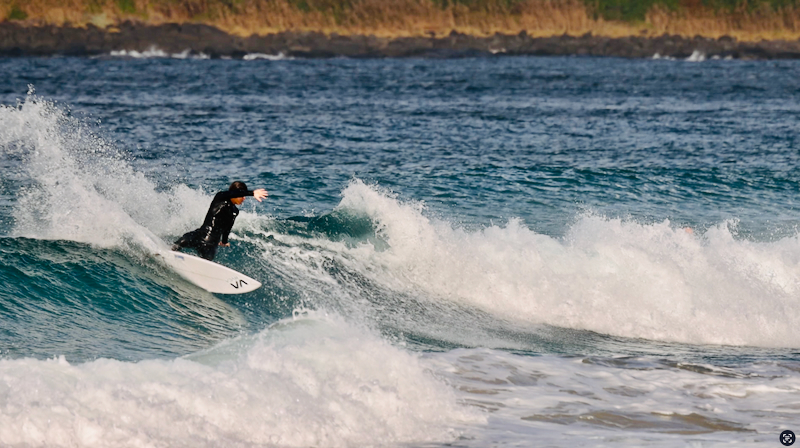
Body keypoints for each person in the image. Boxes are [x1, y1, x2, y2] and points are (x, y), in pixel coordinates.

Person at [171, 181, 268, 261]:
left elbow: (227, 227)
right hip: (200, 234)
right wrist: (252, 193)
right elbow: (233, 193)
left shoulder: (235, 211)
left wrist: (224, 241)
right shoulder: (220, 198)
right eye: (242, 195)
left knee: (206, 262)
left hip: (210, 244)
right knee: (178, 244)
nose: (244, 198)